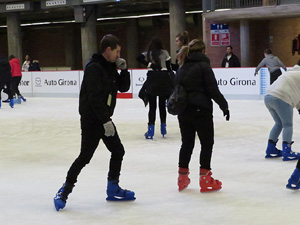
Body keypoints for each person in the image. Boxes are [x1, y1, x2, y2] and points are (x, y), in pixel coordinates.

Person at [54, 34, 135, 212]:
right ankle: (64, 191)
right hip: (92, 120)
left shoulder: (111, 66)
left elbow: (123, 87)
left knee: (118, 150)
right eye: (117, 51)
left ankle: (113, 188)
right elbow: (94, 98)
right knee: (85, 157)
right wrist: (105, 121)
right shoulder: (94, 68)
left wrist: (125, 70)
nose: (119, 55)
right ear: (108, 50)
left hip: (104, 118)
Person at [175, 39, 229, 193]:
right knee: (206, 143)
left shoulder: (182, 67)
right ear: (204, 51)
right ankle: (205, 179)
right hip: (201, 110)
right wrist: (224, 106)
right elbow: (213, 89)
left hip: (184, 111)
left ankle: (182, 178)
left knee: (187, 143)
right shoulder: (204, 66)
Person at [136, 37, 173, 139]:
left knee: (152, 107)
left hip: (152, 79)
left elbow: (138, 57)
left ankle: (151, 130)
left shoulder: (148, 53)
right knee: (162, 106)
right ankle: (163, 128)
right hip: (164, 79)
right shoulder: (165, 52)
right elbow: (169, 67)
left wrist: (149, 64)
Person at [264, 60, 300, 162]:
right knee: (287, 125)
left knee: (278, 123)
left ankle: (271, 149)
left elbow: (295, 93)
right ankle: (287, 152)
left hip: (268, 97)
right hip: (281, 98)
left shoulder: (291, 72)